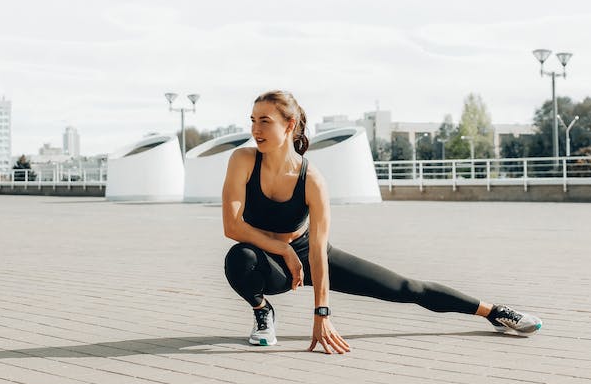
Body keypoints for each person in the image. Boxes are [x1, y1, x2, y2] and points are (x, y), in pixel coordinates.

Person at [222, 90, 542, 354]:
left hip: (308, 252)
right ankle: (262, 311)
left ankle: (495, 312)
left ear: (290, 125)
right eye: (252, 121)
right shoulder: (243, 160)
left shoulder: (312, 180)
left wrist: (322, 313)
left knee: (406, 288)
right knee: (240, 259)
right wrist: (281, 248)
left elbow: (318, 251)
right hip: (267, 262)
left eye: (264, 121)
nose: (255, 130)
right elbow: (232, 226)